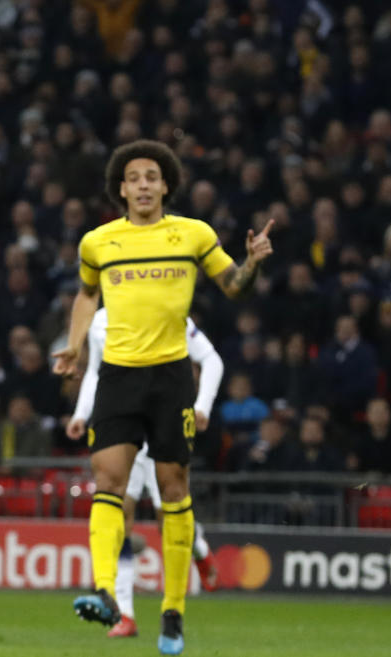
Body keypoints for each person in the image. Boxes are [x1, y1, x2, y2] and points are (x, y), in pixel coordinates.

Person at [53, 139, 273, 655]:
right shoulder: (98, 243)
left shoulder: (193, 234)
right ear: (122, 188)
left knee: (173, 489)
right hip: (118, 378)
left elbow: (234, 286)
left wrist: (253, 262)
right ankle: (105, 590)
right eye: (135, 177)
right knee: (107, 480)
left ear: (166, 185)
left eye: (153, 175)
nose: (145, 184)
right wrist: (76, 344)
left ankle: (173, 609)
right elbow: (87, 295)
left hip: (172, 378)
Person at [66, 309, 223, 638]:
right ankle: (125, 614)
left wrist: (202, 406)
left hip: (163, 425)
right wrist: (82, 413)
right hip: (124, 427)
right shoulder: (99, 321)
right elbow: (96, 371)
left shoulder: (165, 307)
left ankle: (200, 550)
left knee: (171, 516)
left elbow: (212, 360)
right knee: (120, 515)